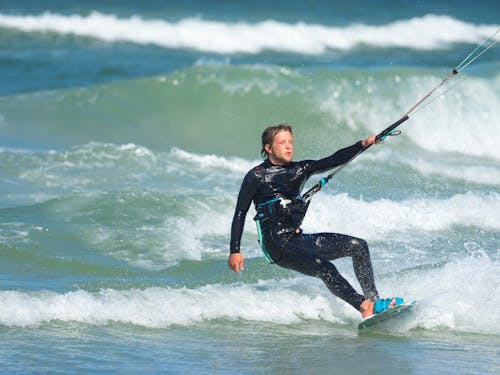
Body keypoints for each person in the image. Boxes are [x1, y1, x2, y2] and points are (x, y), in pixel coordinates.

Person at [228, 124, 403, 318]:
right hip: (276, 244)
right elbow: (240, 213)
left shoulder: (300, 169)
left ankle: (374, 302)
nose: (288, 146)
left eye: (290, 142)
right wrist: (235, 250)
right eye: (282, 142)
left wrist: (364, 144)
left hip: (297, 239)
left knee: (358, 246)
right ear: (268, 148)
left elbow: (333, 160)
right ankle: (363, 306)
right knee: (324, 266)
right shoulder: (256, 176)